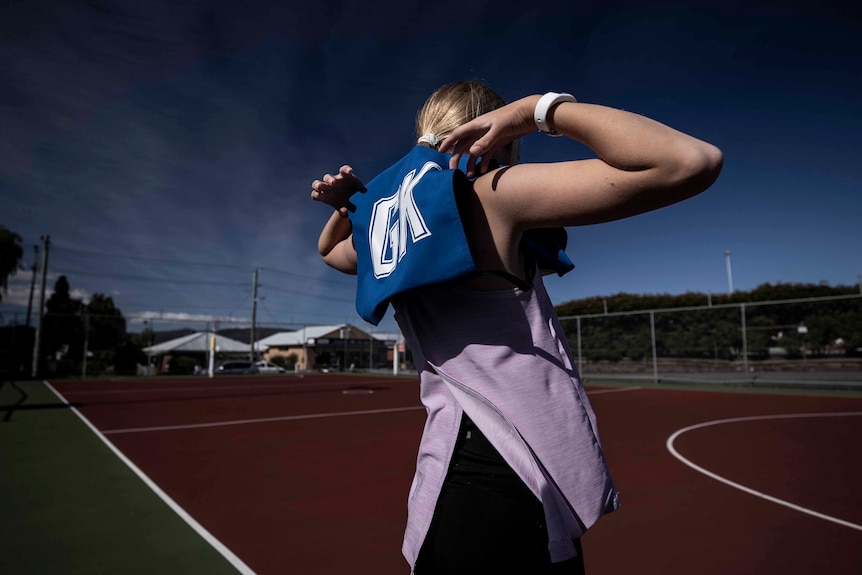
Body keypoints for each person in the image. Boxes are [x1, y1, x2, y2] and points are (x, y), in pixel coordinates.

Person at [310, 81, 722, 574]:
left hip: (442, 473)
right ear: (492, 131)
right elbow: (689, 160)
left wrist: (352, 208)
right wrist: (537, 110)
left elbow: (331, 254)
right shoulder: (491, 195)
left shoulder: (384, 223)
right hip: (515, 471)